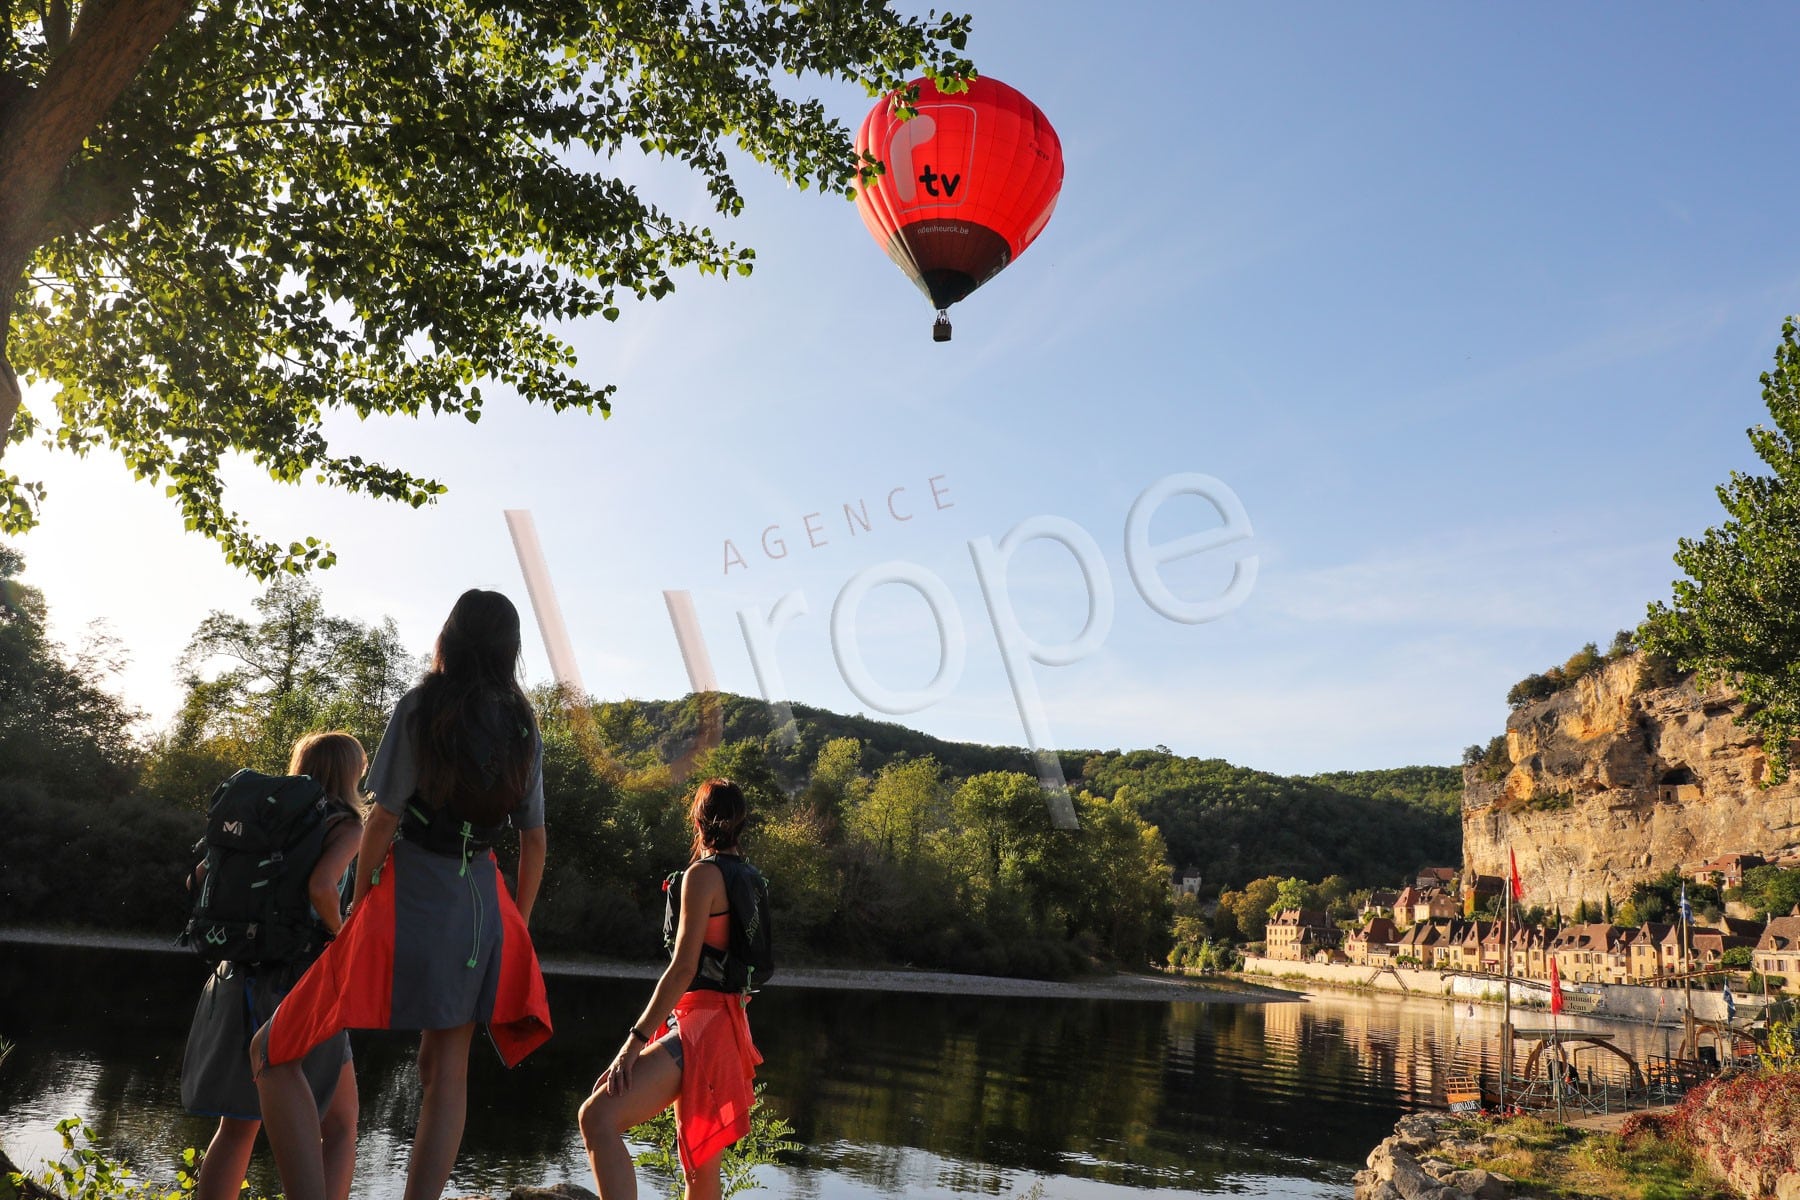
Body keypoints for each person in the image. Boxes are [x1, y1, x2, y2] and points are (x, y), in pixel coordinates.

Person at [252, 589, 552, 1200]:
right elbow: (535, 841)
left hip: (410, 898)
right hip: (481, 916)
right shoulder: (524, 723)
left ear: (451, 636)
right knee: (446, 1072)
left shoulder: (422, 706)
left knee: (271, 1049)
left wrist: (361, 903)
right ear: (510, 649)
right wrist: (513, 927)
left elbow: (383, 819)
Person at [180, 731, 366, 1200]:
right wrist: (343, 937)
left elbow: (199, 876)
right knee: (341, 1125)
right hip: (305, 980)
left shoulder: (265, 815)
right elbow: (324, 887)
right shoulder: (343, 824)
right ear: (350, 773)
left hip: (239, 973)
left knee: (238, 1126)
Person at [578, 779, 765, 1200]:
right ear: (741, 822)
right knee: (699, 1171)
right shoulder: (751, 880)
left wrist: (634, 1041)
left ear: (699, 822)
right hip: (728, 1031)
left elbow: (682, 969)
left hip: (702, 1031)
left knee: (597, 1119)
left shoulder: (703, 875)